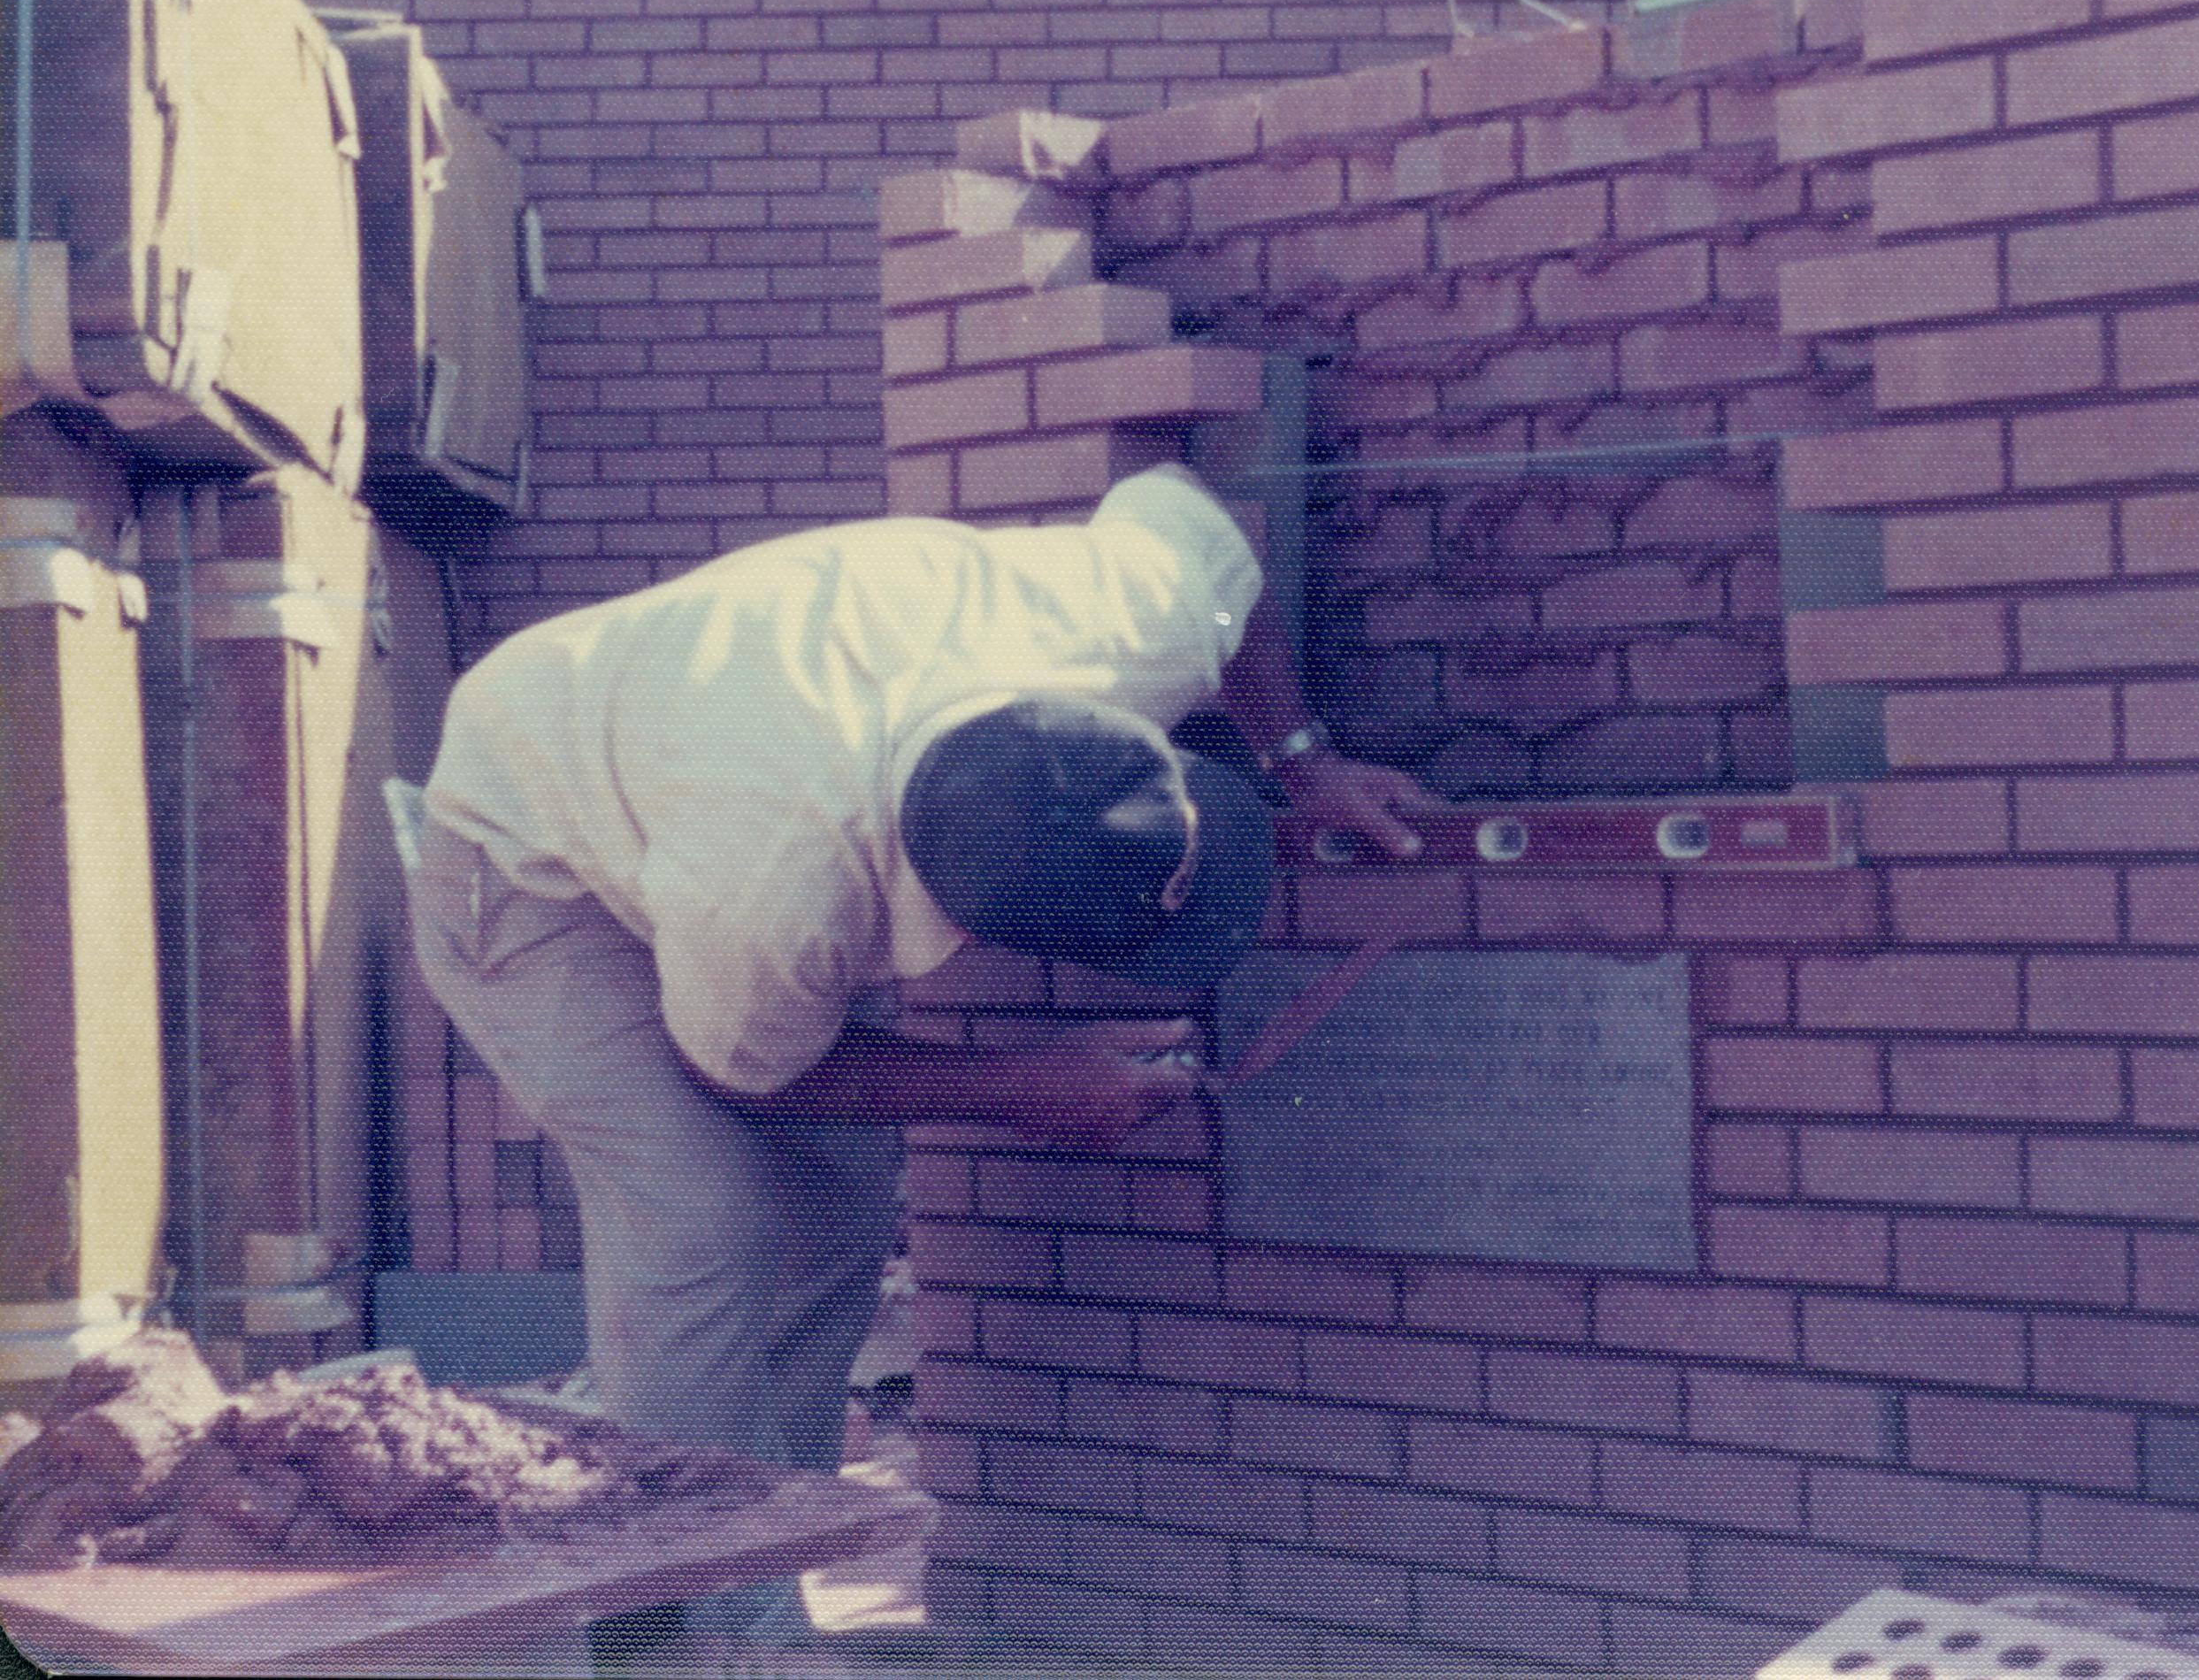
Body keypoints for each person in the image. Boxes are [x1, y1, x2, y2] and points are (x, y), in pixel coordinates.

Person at [400, 457, 1433, 1645]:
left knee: (834, 1203)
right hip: (521, 855)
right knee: (699, 1216)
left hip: (681, 779)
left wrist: (1300, 757)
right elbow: (751, 1069)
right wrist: (1022, 1091)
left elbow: (1217, 542)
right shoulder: (774, 886)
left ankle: (750, 1557)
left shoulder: (1112, 617)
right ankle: (677, 1627)